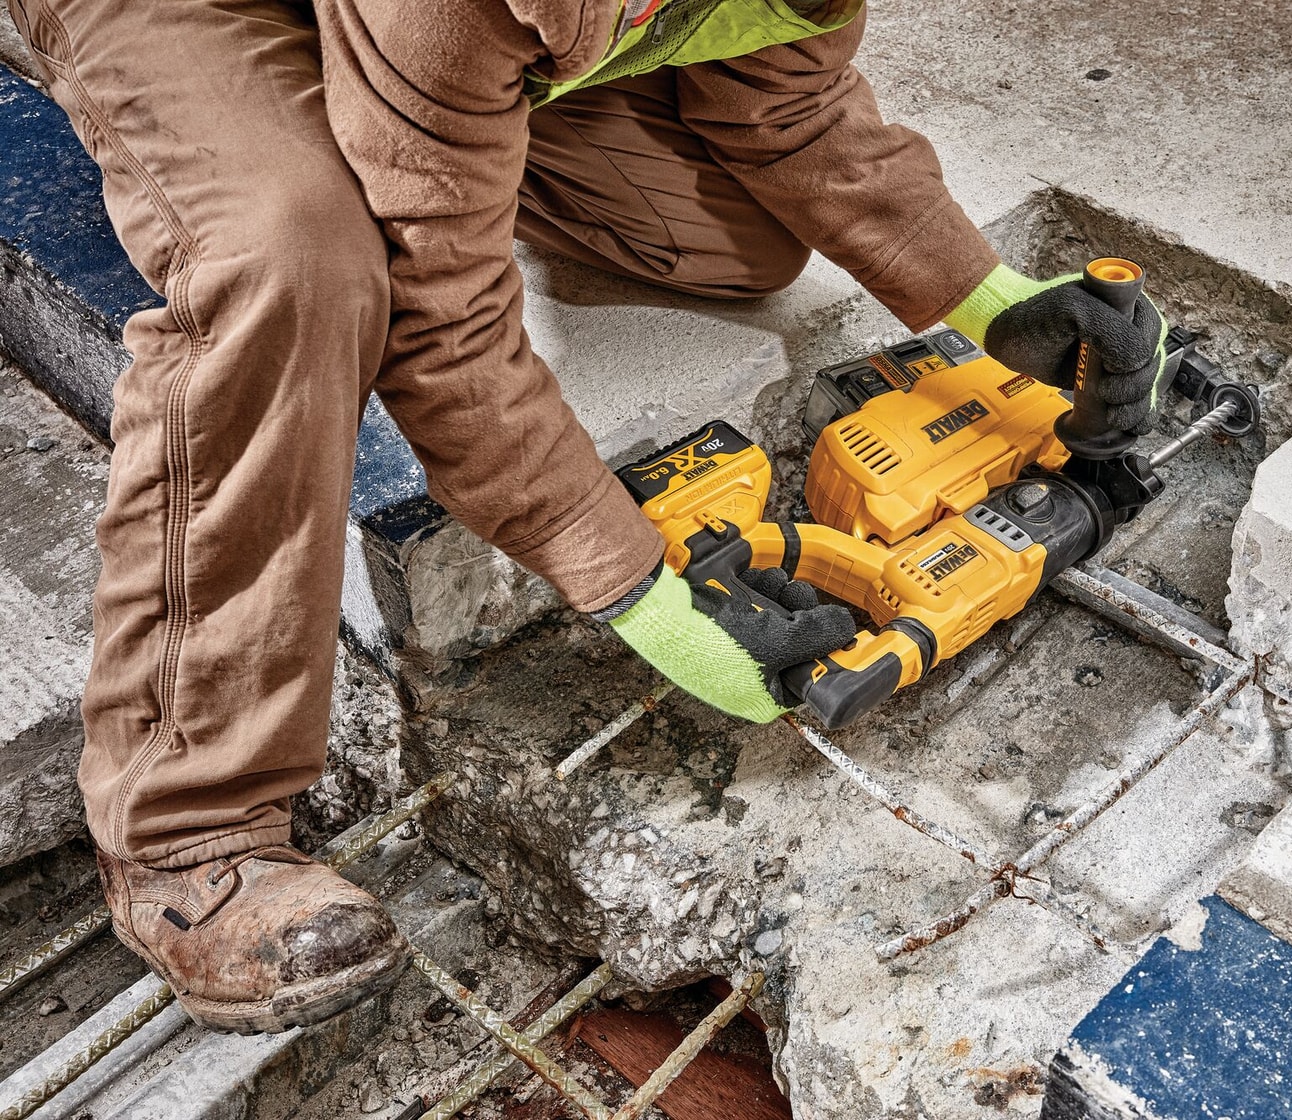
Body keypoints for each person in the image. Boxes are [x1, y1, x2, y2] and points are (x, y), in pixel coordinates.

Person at [3, 0, 1167, 1034]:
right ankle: (188, 830)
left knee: (734, 234)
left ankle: (397, 116)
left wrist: (985, 294)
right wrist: (636, 584)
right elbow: (440, 331)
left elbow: (792, 103)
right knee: (301, 251)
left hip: (431, 38)